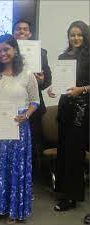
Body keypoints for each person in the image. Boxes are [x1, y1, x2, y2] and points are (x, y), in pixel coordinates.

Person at [0, 34, 39, 223]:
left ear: (15, 50)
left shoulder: (27, 74)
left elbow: (35, 101)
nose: (3, 54)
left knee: (14, 168)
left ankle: (14, 209)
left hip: (18, 126)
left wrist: (27, 115)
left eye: (6, 49)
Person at [54, 21, 89, 211]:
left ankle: (72, 198)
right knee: (64, 151)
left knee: (75, 154)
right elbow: (62, 84)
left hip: (83, 109)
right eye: (72, 35)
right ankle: (63, 191)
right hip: (65, 108)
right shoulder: (63, 56)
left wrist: (81, 89)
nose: (75, 38)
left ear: (85, 36)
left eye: (79, 35)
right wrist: (54, 90)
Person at [13, 19, 52, 171]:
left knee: (33, 143)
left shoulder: (41, 53)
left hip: (33, 106)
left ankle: (30, 181)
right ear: (13, 33)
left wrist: (41, 82)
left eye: (25, 29)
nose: (21, 31)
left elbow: (48, 79)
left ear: (30, 34)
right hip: (13, 103)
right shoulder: (6, 51)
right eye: (18, 29)